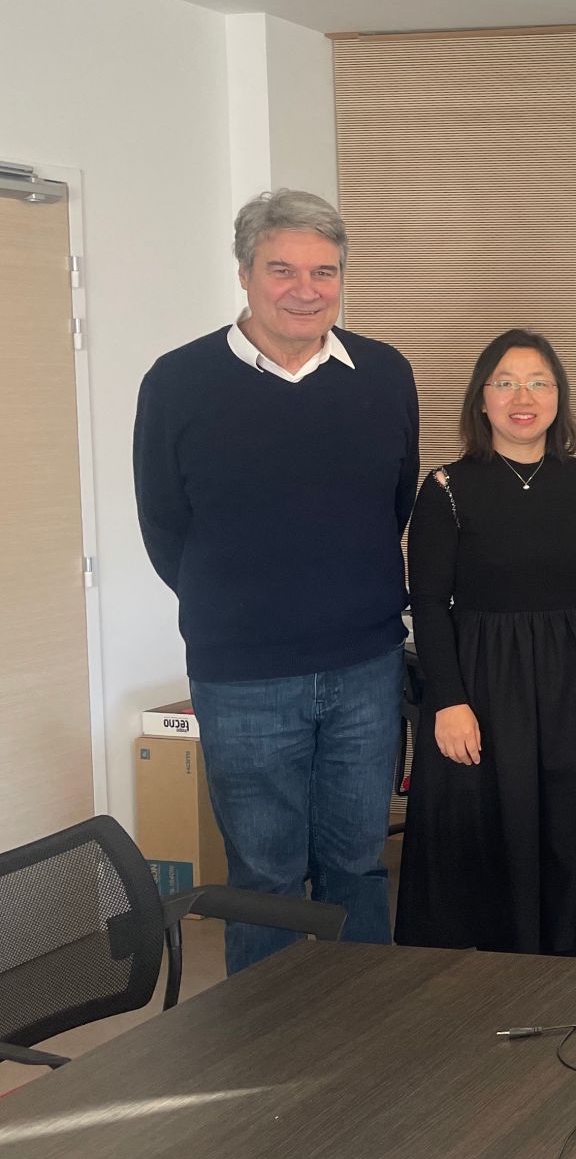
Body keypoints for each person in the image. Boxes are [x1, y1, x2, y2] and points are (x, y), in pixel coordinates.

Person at [134, 189, 418, 974]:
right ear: (245, 273)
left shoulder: (384, 374)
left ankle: (362, 1020)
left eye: (324, 271)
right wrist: (240, 607)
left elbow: (393, 503)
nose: (305, 289)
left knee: (357, 864)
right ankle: (271, 1033)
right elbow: (164, 526)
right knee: (264, 877)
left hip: (366, 667)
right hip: (244, 677)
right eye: (282, 269)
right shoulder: (179, 382)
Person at [395, 330, 576, 956]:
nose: (522, 398)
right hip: (480, 679)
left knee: (567, 821)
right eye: (504, 383)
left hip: (575, 679)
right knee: (486, 824)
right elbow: (428, 603)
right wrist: (447, 701)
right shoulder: (445, 488)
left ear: (559, 397)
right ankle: (494, 981)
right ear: (481, 399)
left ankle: (560, 965)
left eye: (538, 383)